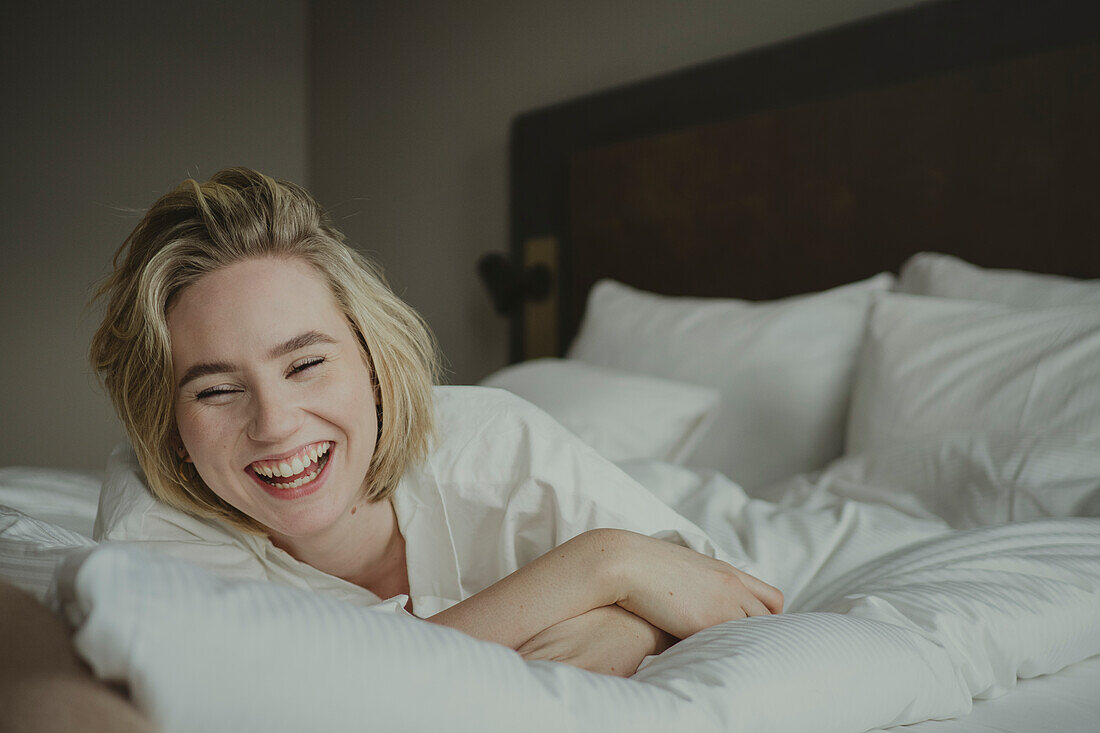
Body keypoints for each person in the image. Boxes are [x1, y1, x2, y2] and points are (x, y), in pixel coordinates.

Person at [89, 168, 782, 677]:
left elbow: (734, 599)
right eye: (215, 390)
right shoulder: (151, 526)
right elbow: (301, 704)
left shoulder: (497, 447)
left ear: (372, 362)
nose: (274, 424)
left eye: (304, 365)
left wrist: (630, 630)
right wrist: (600, 566)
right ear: (173, 429)